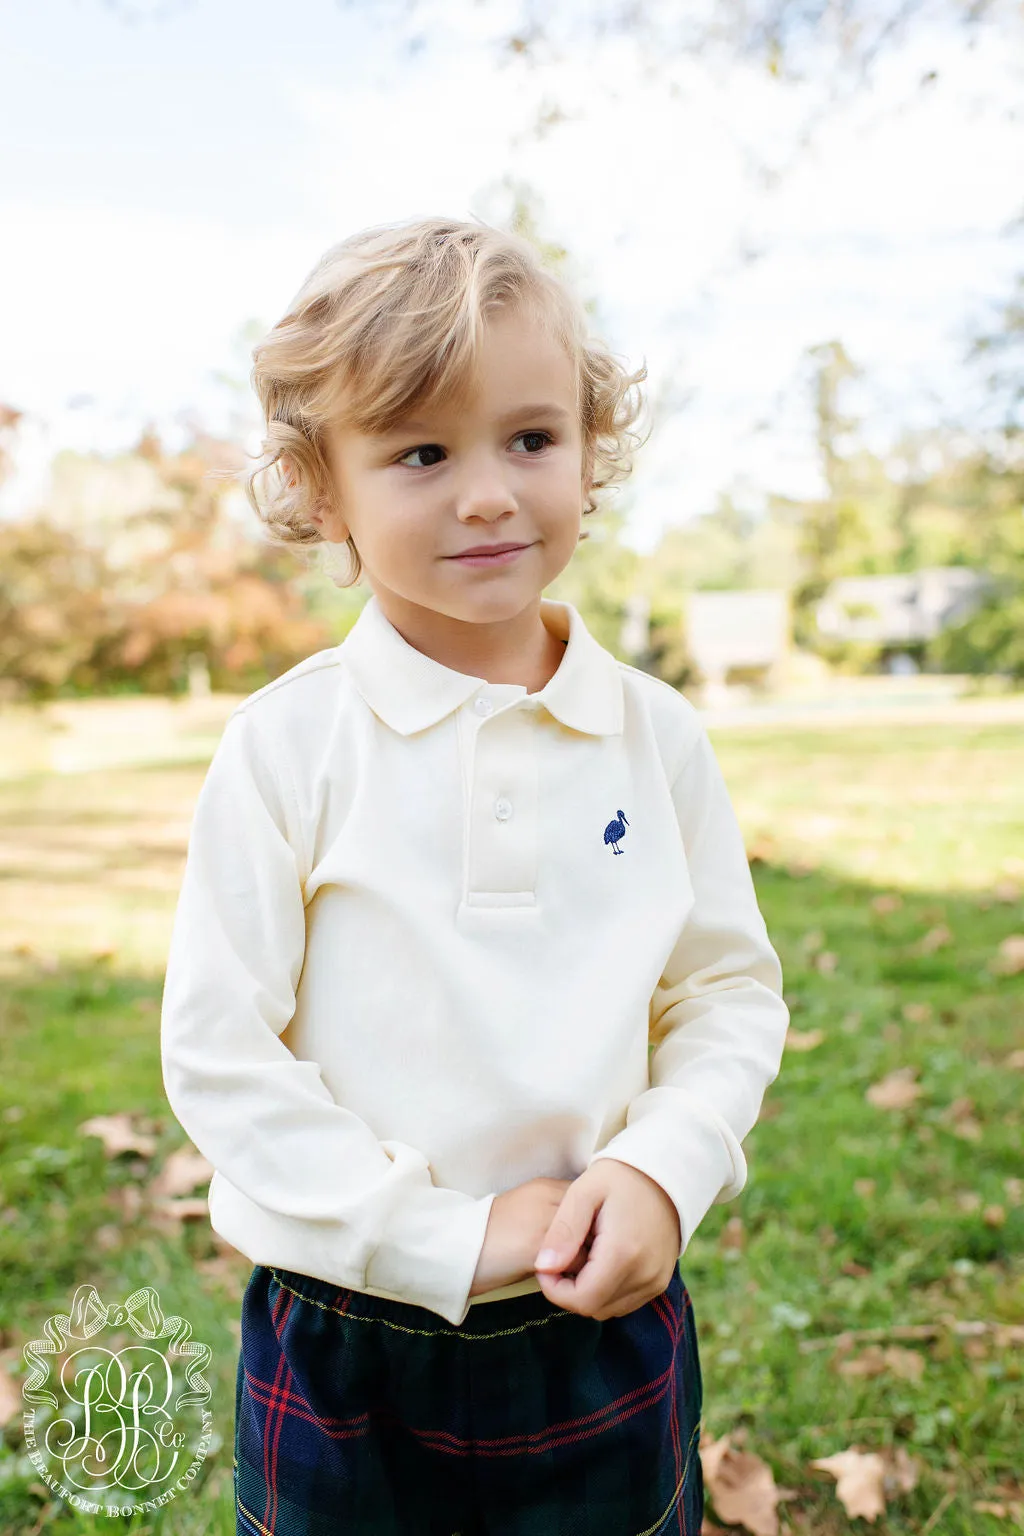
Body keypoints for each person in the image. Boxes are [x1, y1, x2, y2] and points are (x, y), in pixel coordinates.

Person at [159, 214, 790, 1536]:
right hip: (347, 1329)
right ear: (324, 491)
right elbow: (222, 1055)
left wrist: (669, 1168)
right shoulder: (286, 746)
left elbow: (723, 993)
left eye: (531, 438)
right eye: (422, 453)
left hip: (598, 1317)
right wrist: (444, 1236)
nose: (492, 492)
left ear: (588, 450)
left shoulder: (654, 736)